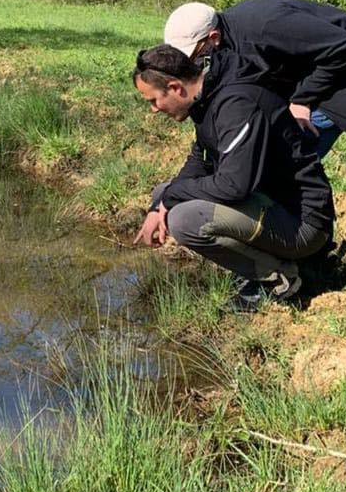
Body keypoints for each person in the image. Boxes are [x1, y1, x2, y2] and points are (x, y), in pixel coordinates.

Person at [131, 44, 335, 311]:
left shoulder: (236, 105)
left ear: (175, 87)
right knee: (163, 194)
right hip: (271, 204)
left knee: (185, 220)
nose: (154, 110)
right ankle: (264, 261)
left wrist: (171, 201)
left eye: (153, 100)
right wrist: (159, 206)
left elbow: (233, 186)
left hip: (303, 225)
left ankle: (281, 278)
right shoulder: (208, 95)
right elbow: (200, 159)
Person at [163, 0, 346, 159]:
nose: (192, 64)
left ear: (213, 38)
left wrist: (302, 100)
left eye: (193, 56)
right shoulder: (229, 37)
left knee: (293, 150)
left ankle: (304, 216)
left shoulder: (264, 27)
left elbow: (342, 46)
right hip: (315, 64)